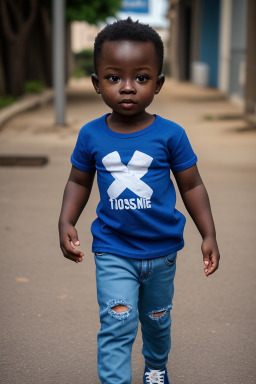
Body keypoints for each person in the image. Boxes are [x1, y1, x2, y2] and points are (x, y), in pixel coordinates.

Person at [58, 18, 220, 384]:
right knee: (117, 322)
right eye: (114, 78)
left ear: (158, 83)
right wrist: (65, 220)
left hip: (162, 251)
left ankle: (156, 367)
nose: (127, 88)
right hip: (113, 249)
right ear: (97, 83)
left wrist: (208, 233)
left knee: (157, 320)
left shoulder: (171, 135)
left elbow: (192, 186)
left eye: (141, 78)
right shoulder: (90, 135)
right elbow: (78, 181)